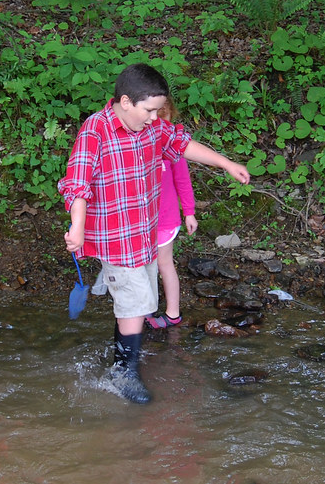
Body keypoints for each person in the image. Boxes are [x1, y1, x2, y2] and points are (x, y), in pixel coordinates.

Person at [59, 64, 250, 404]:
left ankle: (122, 360)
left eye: (158, 111)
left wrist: (225, 163)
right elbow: (77, 184)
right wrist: (77, 225)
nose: (153, 118)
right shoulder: (95, 131)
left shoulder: (153, 128)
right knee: (135, 303)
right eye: (149, 110)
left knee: (137, 303)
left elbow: (183, 143)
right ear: (126, 101)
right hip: (115, 238)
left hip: (144, 235)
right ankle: (124, 373)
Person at [144, 97, 196, 330]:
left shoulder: (173, 147)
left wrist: (190, 213)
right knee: (143, 266)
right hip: (142, 221)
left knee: (164, 264)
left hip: (165, 219)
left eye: (164, 123)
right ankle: (145, 308)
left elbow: (183, 182)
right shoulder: (139, 144)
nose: (159, 129)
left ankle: (173, 313)